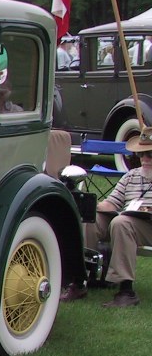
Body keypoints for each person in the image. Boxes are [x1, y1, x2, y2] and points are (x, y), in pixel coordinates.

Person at [62, 126, 152, 306]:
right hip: (130, 222)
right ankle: (82, 279)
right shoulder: (131, 176)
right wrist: (87, 205)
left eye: (150, 154)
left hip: (143, 225)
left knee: (121, 222)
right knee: (91, 218)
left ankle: (126, 291)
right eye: (141, 154)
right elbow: (112, 203)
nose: (145, 159)